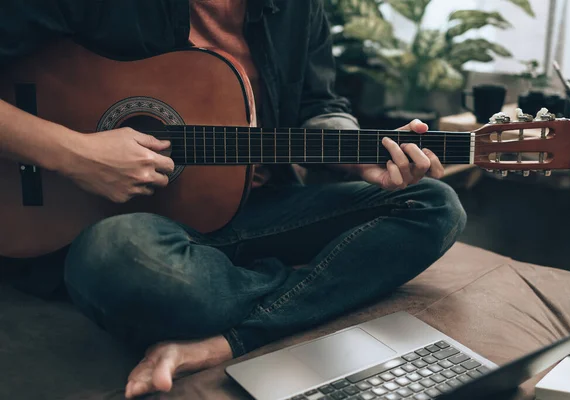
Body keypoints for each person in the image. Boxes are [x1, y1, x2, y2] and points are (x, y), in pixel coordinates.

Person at [0, 0, 467, 398]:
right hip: (125, 224)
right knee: (115, 255)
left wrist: (355, 154)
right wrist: (74, 154)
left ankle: (229, 337)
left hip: (263, 208)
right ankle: (302, 289)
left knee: (434, 205)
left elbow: (318, 105)